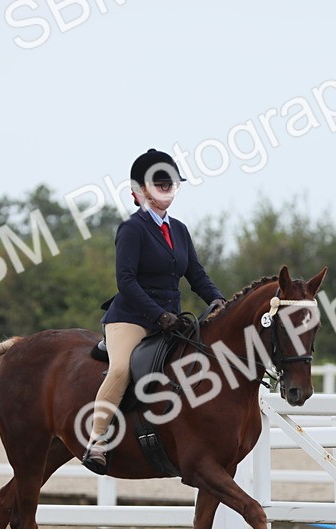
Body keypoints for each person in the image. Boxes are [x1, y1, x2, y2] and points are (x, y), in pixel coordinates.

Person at [82, 148, 227, 473]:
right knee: (120, 369)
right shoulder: (132, 230)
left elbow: (197, 275)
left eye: (171, 183)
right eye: (160, 183)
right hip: (131, 317)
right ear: (141, 190)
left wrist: (217, 299)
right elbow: (126, 281)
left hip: (171, 320)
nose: (167, 189)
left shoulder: (179, 230)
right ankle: (96, 439)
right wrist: (156, 314)